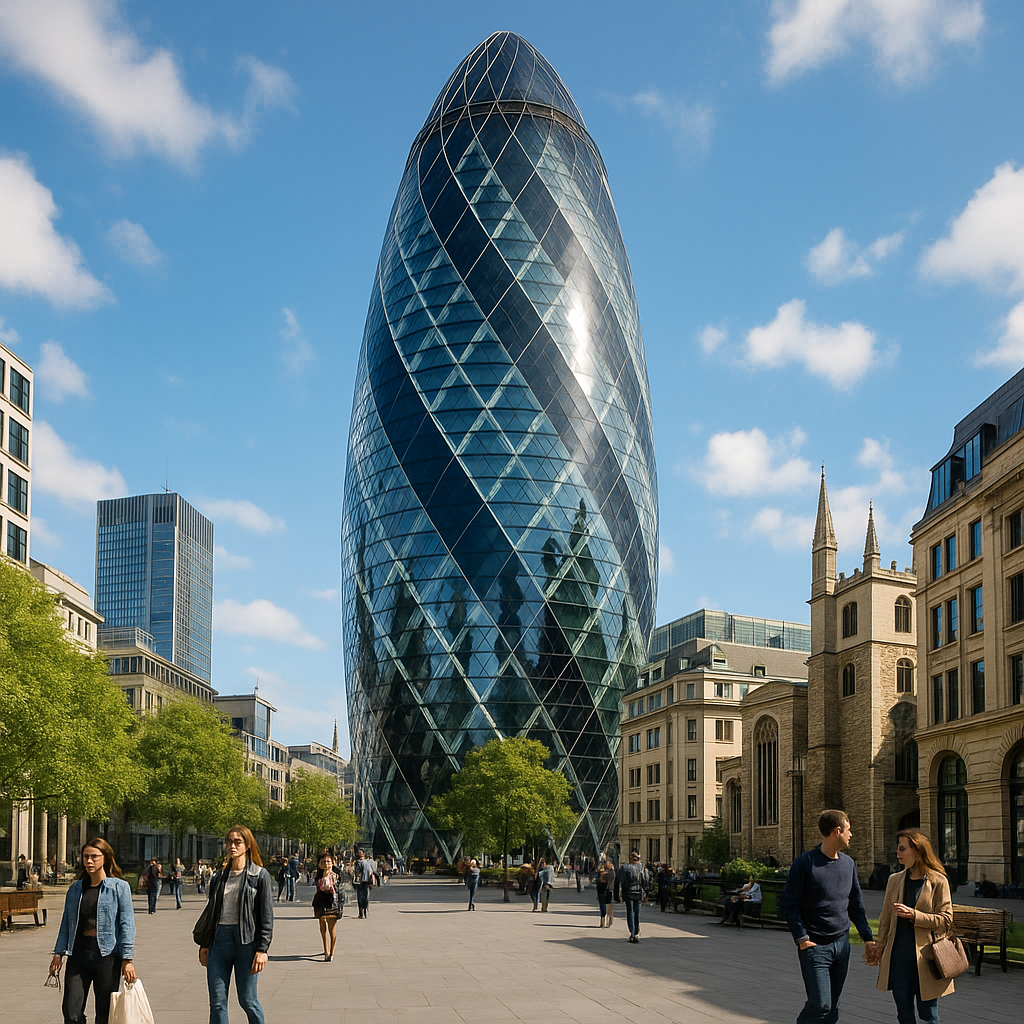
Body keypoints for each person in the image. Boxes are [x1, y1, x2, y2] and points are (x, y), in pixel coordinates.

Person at [780, 809, 874, 1024]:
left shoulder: (848, 864)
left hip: (842, 944)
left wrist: (867, 938)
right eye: (849, 830)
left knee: (833, 1006)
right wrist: (802, 937)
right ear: (837, 831)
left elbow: (855, 905)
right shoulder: (805, 863)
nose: (851, 834)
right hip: (815, 946)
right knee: (820, 1003)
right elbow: (789, 903)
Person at [867, 830, 955, 1024]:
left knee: (928, 1014)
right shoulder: (894, 880)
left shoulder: (938, 881)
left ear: (918, 850)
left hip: (926, 958)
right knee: (904, 1014)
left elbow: (947, 919)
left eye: (902, 848)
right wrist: (878, 946)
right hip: (898, 959)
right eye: (897, 849)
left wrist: (915, 915)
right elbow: (886, 918)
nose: (897, 853)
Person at [49, 837, 136, 1024]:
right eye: (86, 857)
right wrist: (58, 953)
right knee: (71, 1012)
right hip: (78, 954)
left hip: (107, 957)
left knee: (104, 1013)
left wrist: (127, 960)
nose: (89, 861)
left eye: (94, 857)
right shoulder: (75, 889)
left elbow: (127, 924)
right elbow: (66, 922)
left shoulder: (119, 887)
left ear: (105, 857)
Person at [198, 825, 274, 1024]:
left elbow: (266, 916)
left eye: (237, 842)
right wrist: (205, 944)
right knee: (217, 1002)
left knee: (248, 1000)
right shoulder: (218, 877)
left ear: (247, 845)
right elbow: (212, 913)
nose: (232, 846)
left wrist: (262, 949)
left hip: (246, 943)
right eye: (229, 841)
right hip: (218, 941)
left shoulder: (259, 876)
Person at [312, 853, 343, 961]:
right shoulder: (317, 875)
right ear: (320, 864)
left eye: (328, 862)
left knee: (332, 928)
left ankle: (332, 951)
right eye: (323, 862)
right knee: (322, 928)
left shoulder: (335, 875)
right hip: (320, 903)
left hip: (332, 903)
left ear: (333, 863)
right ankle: (326, 950)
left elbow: (336, 890)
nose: (326, 864)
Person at [614, 850, 649, 943]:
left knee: (631, 913)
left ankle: (633, 933)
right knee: (636, 913)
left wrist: (616, 895)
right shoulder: (642, 868)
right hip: (637, 893)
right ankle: (635, 933)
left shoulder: (624, 868)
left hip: (629, 892)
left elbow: (618, 881)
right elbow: (645, 881)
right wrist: (646, 892)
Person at [352, 848, 376, 919]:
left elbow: (370, 871)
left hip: (364, 881)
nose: (360, 853)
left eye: (361, 852)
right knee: (361, 897)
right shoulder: (358, 862)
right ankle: (362, 911)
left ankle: (364, 910)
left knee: (364, 897)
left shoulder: (366, 862)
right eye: (359, 852)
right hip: (360, 881)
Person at [595, 857, 615, 928]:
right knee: (610, 907)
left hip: (602, 891)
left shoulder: (601, 873)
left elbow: (598, 883)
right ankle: (610, 921)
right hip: (610, 890)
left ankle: (603, 921)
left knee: (603, 906)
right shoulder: (612, 873)